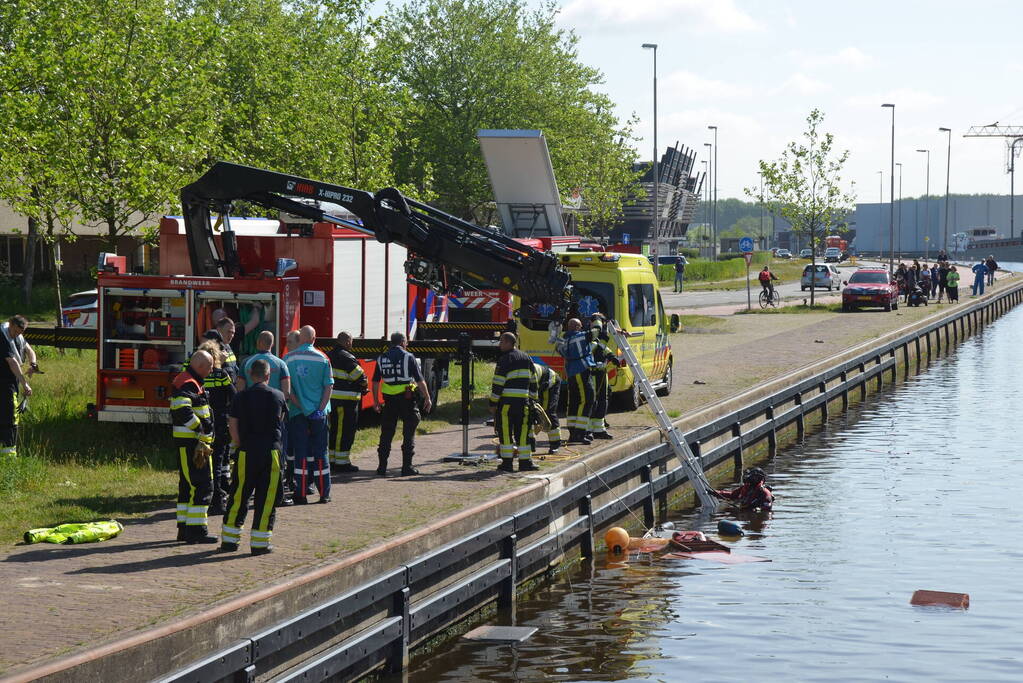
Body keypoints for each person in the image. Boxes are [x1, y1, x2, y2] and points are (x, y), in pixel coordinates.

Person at [222, 359, 287, 555]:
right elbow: (281, 421)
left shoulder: (240, 397)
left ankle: (229, 542)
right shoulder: (278, 396)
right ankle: (260, 544)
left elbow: (232, 424)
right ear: (268, 375)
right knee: (266, 498)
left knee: (239, 495)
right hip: (270, 452)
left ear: (251, 375)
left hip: (246, 451)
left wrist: (239, 444)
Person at [170, 349, 217, 544]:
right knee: (202, 485)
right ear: (199, 366)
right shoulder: (188, 382)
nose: (212, 370)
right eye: (210, 366)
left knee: (188, 486)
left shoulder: (190, 380)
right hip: (192, 444)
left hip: (191, 444)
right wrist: (200, 429)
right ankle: (197, 531)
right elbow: (181, 408)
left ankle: (185, 529)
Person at [373, 332, 432, 476]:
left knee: (386, 432)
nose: (407, 344)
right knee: (409, 431)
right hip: (406, 400)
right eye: (406, 341)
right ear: (402, 342)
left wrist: (376, 401)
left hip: (389, 401)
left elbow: (375, 382)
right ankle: (407, 467)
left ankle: (381, 467)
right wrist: (427, 397)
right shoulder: (409, 357)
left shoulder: (381, 358)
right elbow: (420, 380)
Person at [286, 325, 333, 504]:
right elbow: (328, 386)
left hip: (298, 413)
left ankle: (301, 493)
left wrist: (302, 406)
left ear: (300, 339)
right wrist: (319, 409)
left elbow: (288, 390)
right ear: (314, 339)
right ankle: (324, 494)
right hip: (319, 415)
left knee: (301, 453)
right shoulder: (323, 358)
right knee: (321, 452)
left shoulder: (288, 359)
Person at [196, 332, 237, 516]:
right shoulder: (221, 375)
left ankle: (204, 496)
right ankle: (217, 501)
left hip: (200, 422)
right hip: (219, 422)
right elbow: (234, 396)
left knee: (202, 462)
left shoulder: (197, 376)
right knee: (218, 461)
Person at [489, 332, 539, 472]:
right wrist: (534, 400)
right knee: (523, 434)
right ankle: (525, 463)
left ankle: (507, 464)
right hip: (524, 404)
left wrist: (493, 403)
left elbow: (498, 383)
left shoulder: (504, 359)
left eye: (501, 342)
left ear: (509, 343)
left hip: (507, 405)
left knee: (505, 433)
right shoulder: (527, 357)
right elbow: (534, 381)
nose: (499, 345)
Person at [327, 331, 367, 473]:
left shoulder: (329, 355)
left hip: (332, 400)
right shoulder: (347, 357)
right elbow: (361, 377)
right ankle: (342, 463)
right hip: (346, 402)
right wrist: (363, 386)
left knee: (334, 430)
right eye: (351, 341)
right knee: (344, 433)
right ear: (348, 341)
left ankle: (332, 460)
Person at [1, 315, 38, 459]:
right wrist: (25, 383)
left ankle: (7, 451)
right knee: (10, 414)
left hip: (12, 379)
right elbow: (12, 362)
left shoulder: (18, 336)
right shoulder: (2, 336)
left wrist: (33, 364)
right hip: (3, 380)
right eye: (16, 331)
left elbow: (30, 350)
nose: (17, 335)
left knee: (9, 413)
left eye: (20, 332)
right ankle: (8, 454)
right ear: (10, 324)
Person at [556, 318, 597, 444]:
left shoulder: (562, 340)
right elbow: (597, 331)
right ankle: (579, 433)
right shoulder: (581, 336)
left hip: (571, 372)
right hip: (581, 370)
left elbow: (559, 350)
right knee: (587, 400)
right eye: (580, 326)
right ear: (578, 327)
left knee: (574, 402)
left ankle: (573, 433)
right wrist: (597, 319)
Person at [588, 314, 616, 440]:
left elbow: (603, 347)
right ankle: (588, 430)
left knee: (602, 401)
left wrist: (611, 356)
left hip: (602, 373)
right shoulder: (587, 338)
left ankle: (599, 430)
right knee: (592, 402)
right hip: (592, 374)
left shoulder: (600, 337)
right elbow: (596, 347)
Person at [708, 467, 774, 512]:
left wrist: (759, 509)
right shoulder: (746, 487)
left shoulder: (764, 492)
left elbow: (768, 506)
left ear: (758, 478)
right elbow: (732, 495)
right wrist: (715, 492)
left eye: (753, 476)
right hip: (743, 511)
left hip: (753, 514)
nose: (750, 478)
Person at [533, 361, 562, 454]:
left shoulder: (530, 373)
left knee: (548, 412)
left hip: (551, 383)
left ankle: (555, 443)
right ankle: (530, 443)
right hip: (540, 385)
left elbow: (533, 395)